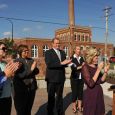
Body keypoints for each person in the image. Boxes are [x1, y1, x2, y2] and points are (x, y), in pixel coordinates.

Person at [45, 38, 72, 115]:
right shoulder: (48, 52)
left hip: (60, 79)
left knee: (60, 97)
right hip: (51, 79)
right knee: (51, 98)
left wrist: (69, 63)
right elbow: (49, 64)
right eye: (56, 43)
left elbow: (64, 64)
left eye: (59, 43)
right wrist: (62, 63)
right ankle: (50, 112)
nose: (58, 45)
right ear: (52, 44)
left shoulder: (62, 52)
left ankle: (60, 112)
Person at [81, 47, 110, 115]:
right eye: (96, 57)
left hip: (98, 93)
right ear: (91, 57)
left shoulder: (96, 66)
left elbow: (101, 81)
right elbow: (90, 83)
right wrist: (98, 70)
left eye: (97, 56)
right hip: (90, 95)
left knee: (98, 112)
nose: (97, 58)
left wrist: (105, 72)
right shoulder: (85, 67)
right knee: (91, 112)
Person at [13, 44, 39, 115]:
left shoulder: (31, 60)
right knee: (21, 110)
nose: (27, 52)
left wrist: (35, 68)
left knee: (29, 108)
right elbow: (20, 75)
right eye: (25, 51)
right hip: (22, 89)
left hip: (31, 88)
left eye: (28, 51)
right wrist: (31, 69)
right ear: (20, 52)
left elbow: (37, 72)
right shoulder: (17, 61)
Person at [0, 42, 20, 115]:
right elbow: (4, 76)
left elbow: (9, 78)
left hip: (8, 97)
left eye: (6, 49)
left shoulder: (5, 63)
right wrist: (5, 74)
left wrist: (12, 73)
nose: (5, 50)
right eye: (3, 49)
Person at [70, 46, 85, 113]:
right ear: (74, 50)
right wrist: (82, 66)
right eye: (78, 49)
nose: (79, 50)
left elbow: (84, 67)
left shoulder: (81, 58)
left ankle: (79, 106)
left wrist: (81, 66)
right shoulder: (71, 58)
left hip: (81, 78)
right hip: (74, 78)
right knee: (74, 93)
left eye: (80, 49)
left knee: (80, 93)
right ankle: (74, 107)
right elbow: (74, 68)